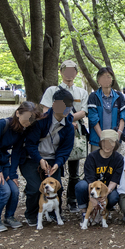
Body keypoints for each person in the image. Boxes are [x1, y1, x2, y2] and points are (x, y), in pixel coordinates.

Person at [0, 102, 38, 233]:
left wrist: (12, 173)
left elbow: (16, 152)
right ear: (18, 113)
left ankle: (9, 217)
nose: (28, 122)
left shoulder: (23, 130)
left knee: (14, 190)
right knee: (4, 190)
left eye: (31, 119)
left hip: (3, 160)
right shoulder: (2, 124)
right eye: (26, 118)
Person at [40, 60, 89, 214]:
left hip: (74, 134)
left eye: (72, 70)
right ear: (60, 72)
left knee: (74, 170)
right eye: (65, 70)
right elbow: (46, 110)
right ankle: (52, 201)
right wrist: (66, 121)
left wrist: (68, 119)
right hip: (55, 133)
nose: (69, 73)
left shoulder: (82, 92)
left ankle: (72, 199)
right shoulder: (52, 90)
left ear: (76, 73)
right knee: (56, 166)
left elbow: (84, 112)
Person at [20, 88, 75, 226]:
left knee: (57, 186)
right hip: (32, 158)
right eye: (64, 105)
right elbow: (30, 144)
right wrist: (40, 160)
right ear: (54, 105)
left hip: (53, 159)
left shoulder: (69, 125)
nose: (67, 109)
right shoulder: (40, 120)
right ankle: (31, 214)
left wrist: (58, 164)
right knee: (35, 187)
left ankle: (54, 213)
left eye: (69, 106)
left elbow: (65, 149)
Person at [75, 130, 124, 217]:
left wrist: (105, 194)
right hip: (92, 187)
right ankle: (84, 211)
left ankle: (105, 209)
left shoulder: (119, 159)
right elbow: (90, 180)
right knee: (80, 186)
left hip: (106, 188)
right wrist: (92, 198)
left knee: (114, 196)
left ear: (115, 144)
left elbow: (114, 181)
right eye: (105, 142)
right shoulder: (92, 157)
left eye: (111, 143)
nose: (107, 146)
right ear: (101, 143)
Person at [87, 67, 125, 152]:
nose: (106, 79)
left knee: (115, 160)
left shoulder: (119, 96)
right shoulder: (93, 97)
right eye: (103, 77)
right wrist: (103, 138)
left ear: (112, 79)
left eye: (108, 77)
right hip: (97, 140)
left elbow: (123, 116)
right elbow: (93, 118)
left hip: (115, 139)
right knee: (97, 160)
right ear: (98, 80)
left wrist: (118, 135)